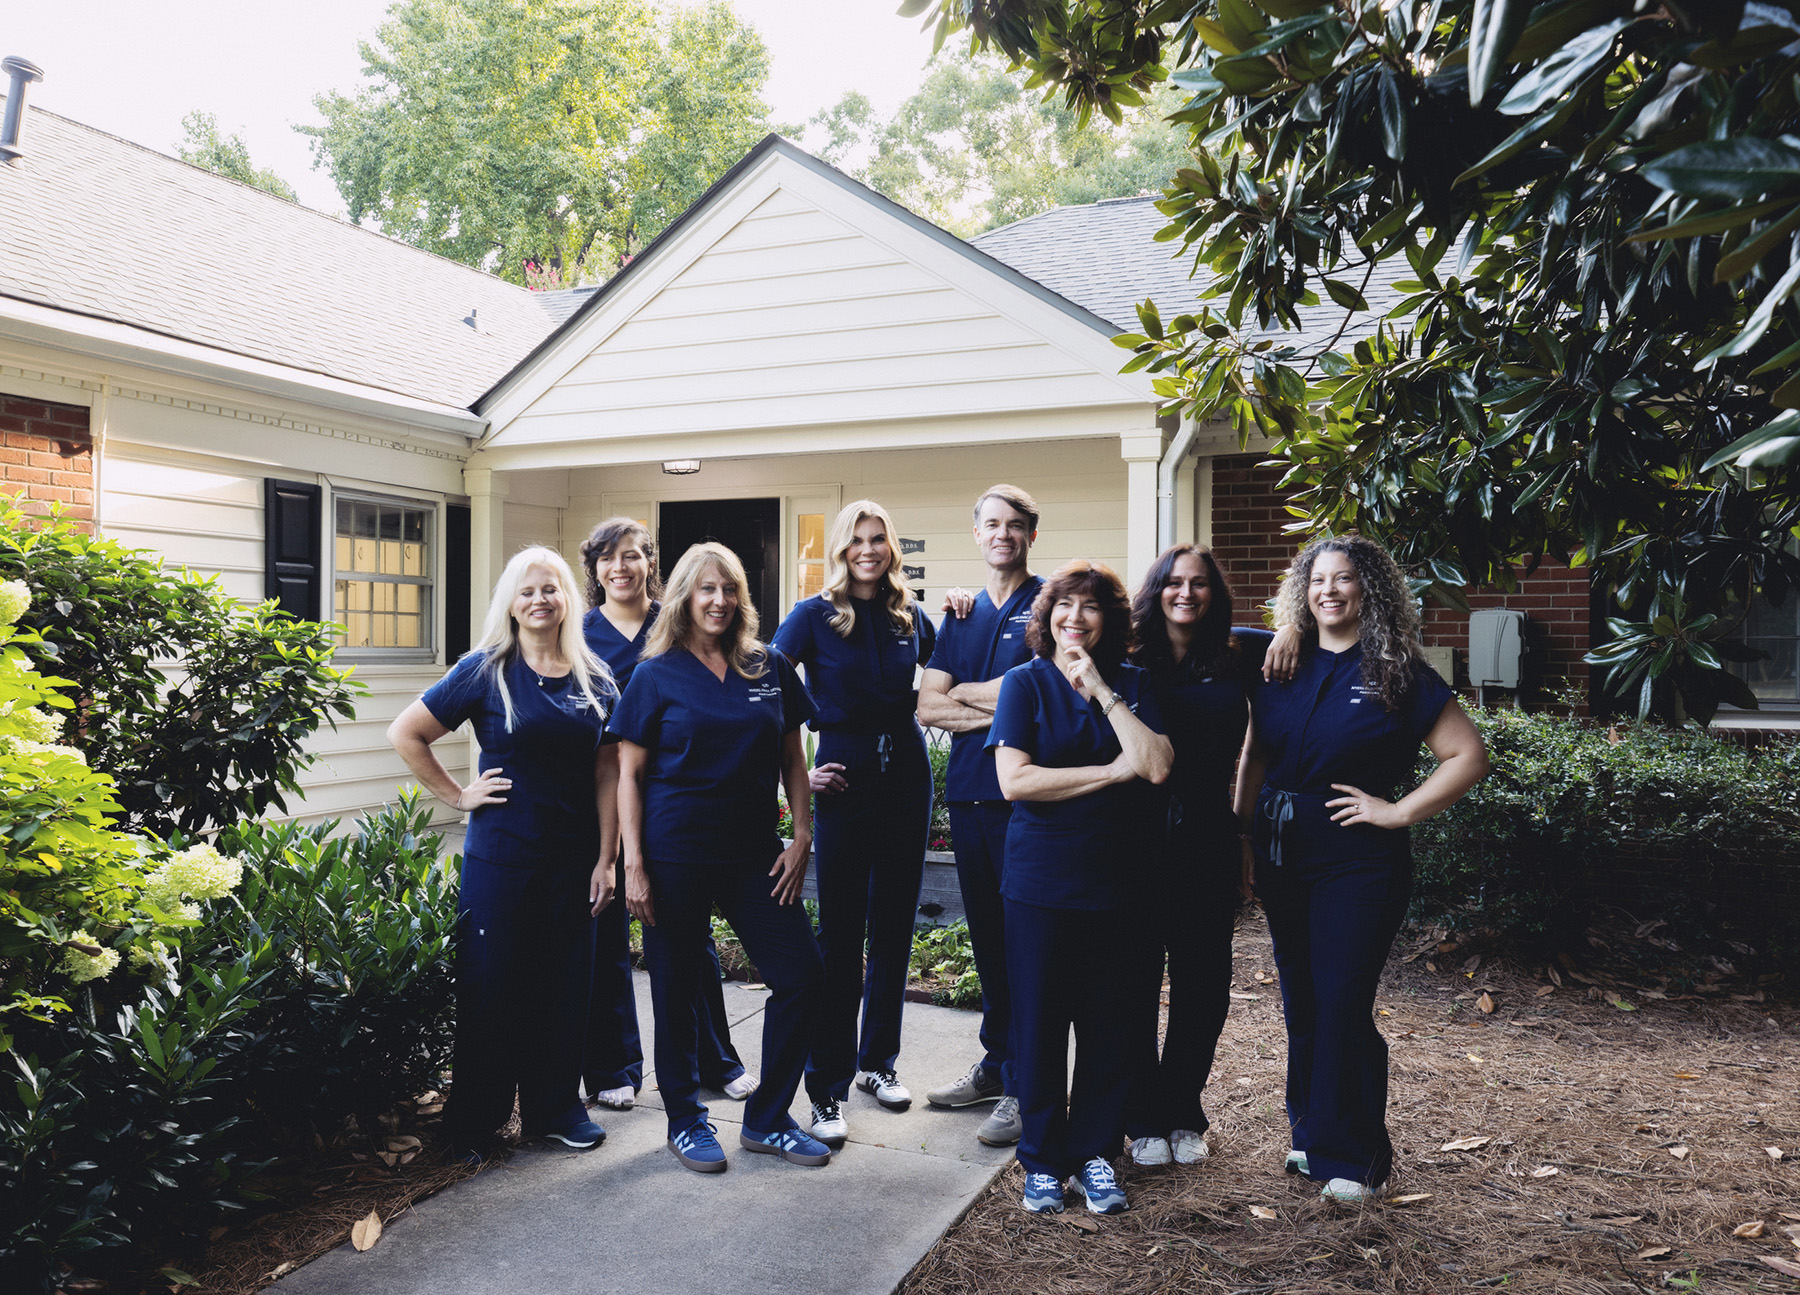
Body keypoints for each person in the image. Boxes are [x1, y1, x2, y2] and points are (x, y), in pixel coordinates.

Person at [1236, 534, 1489, 1204]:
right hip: (1282, 855)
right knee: (1303, 1003)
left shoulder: (1397, 670)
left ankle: (1358, 1155)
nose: (1330, 590)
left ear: (1368, 589)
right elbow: (1256, 750)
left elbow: (1467, 754)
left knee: (1342, 1001)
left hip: (1357, 863)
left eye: (1344, 579)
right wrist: (1242, 833)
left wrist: (1398, 811)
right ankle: (1310, 1131)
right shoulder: (1279, 661)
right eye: (1317, 580)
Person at [387, 546, 618, 1157]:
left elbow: (608, 774)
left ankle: (554, 1112)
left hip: (573, 861)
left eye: (550, 589)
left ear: (568, 598)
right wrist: (458, 795)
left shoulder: (594, 677)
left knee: (564, 987)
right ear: (510, 604)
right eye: (526, 591)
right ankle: (472, 1123)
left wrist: (607, 858)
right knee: (492, 988)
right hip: (502, 861)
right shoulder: (484, 669)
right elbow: (407, 732)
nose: (539, 600)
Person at [609, 541, 831, 1173]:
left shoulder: (769, 666)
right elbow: (629, 774)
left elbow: (793, 758)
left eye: (729, 589)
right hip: (673, 853)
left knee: (802, 975)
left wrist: (802, 837)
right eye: (706, 589)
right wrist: (634, 865)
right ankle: (685, 1120)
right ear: (684, 596)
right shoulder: (654, 675)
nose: (719, 600)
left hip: (754, 855)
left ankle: (768, 1119)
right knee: (676, 988)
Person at [988, 560, 1172, 1216]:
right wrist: (1106, 773)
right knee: (1037, 1026)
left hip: (1119, 885)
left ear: (1110, 620)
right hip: (1039, 885)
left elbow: (1153, 764)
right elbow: (1016, 780)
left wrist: (1098, 688)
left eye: (1090, 607)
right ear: (1047, 615)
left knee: (1107, 1026)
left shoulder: (1137, 684)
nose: (1075, 617)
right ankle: (1041, 1159)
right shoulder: (1024, 684)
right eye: (1064, 605)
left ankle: (1094, 1152)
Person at [772, 500, 936, 1148]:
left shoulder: (909, 615)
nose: (868, 550)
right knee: (840, 939)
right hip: (841, 781)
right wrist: (795, 777)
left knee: (894, 928)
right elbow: (765, 691)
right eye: (857, 540)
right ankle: (826, 1087)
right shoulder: (812, 616)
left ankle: (877, 1062)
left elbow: (956, 664)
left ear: (890, 547)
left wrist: (963, 607)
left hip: (907, 779)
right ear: (841, 549)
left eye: (879, 540)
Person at [576, 517, 755, 1113]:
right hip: (603, 802)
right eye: (607, 558)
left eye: (632, 556)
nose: (620, 568)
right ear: (594, 568)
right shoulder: (578, 634)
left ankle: (715, 1061)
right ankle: (614, 1066)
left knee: (688, 941)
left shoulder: (674, 620)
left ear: (652, 563)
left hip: (677, 808)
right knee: (606, 934)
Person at [1123, 544, 1281, 1169]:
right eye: (1173, 583)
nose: (1185, 593)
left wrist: (1242, 832)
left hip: (1209, 836)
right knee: (1133, 981)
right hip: (1134, 836)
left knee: (1204, 983)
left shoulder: (1239, 653)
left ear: (1215, 594)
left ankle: (1183, 1106)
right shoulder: (1129, 653)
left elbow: (1301, 632)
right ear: (1154, 589)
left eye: (1199, 584)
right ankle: (1141, 1114)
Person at [916, 484, 1044, 1148]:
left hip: (1020, 802)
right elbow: (928, 706)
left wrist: (970, 696)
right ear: (976, 533)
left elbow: (1043, 691)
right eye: (991, 522)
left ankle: (1027, 1083)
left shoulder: (1049, 605)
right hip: (967, 796)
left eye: (1014, 524)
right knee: (989, 942)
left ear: (1029, 534)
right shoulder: (958, 615)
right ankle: (997, 1065)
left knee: (1023, 942)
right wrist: (993, 701)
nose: (1003, 533)